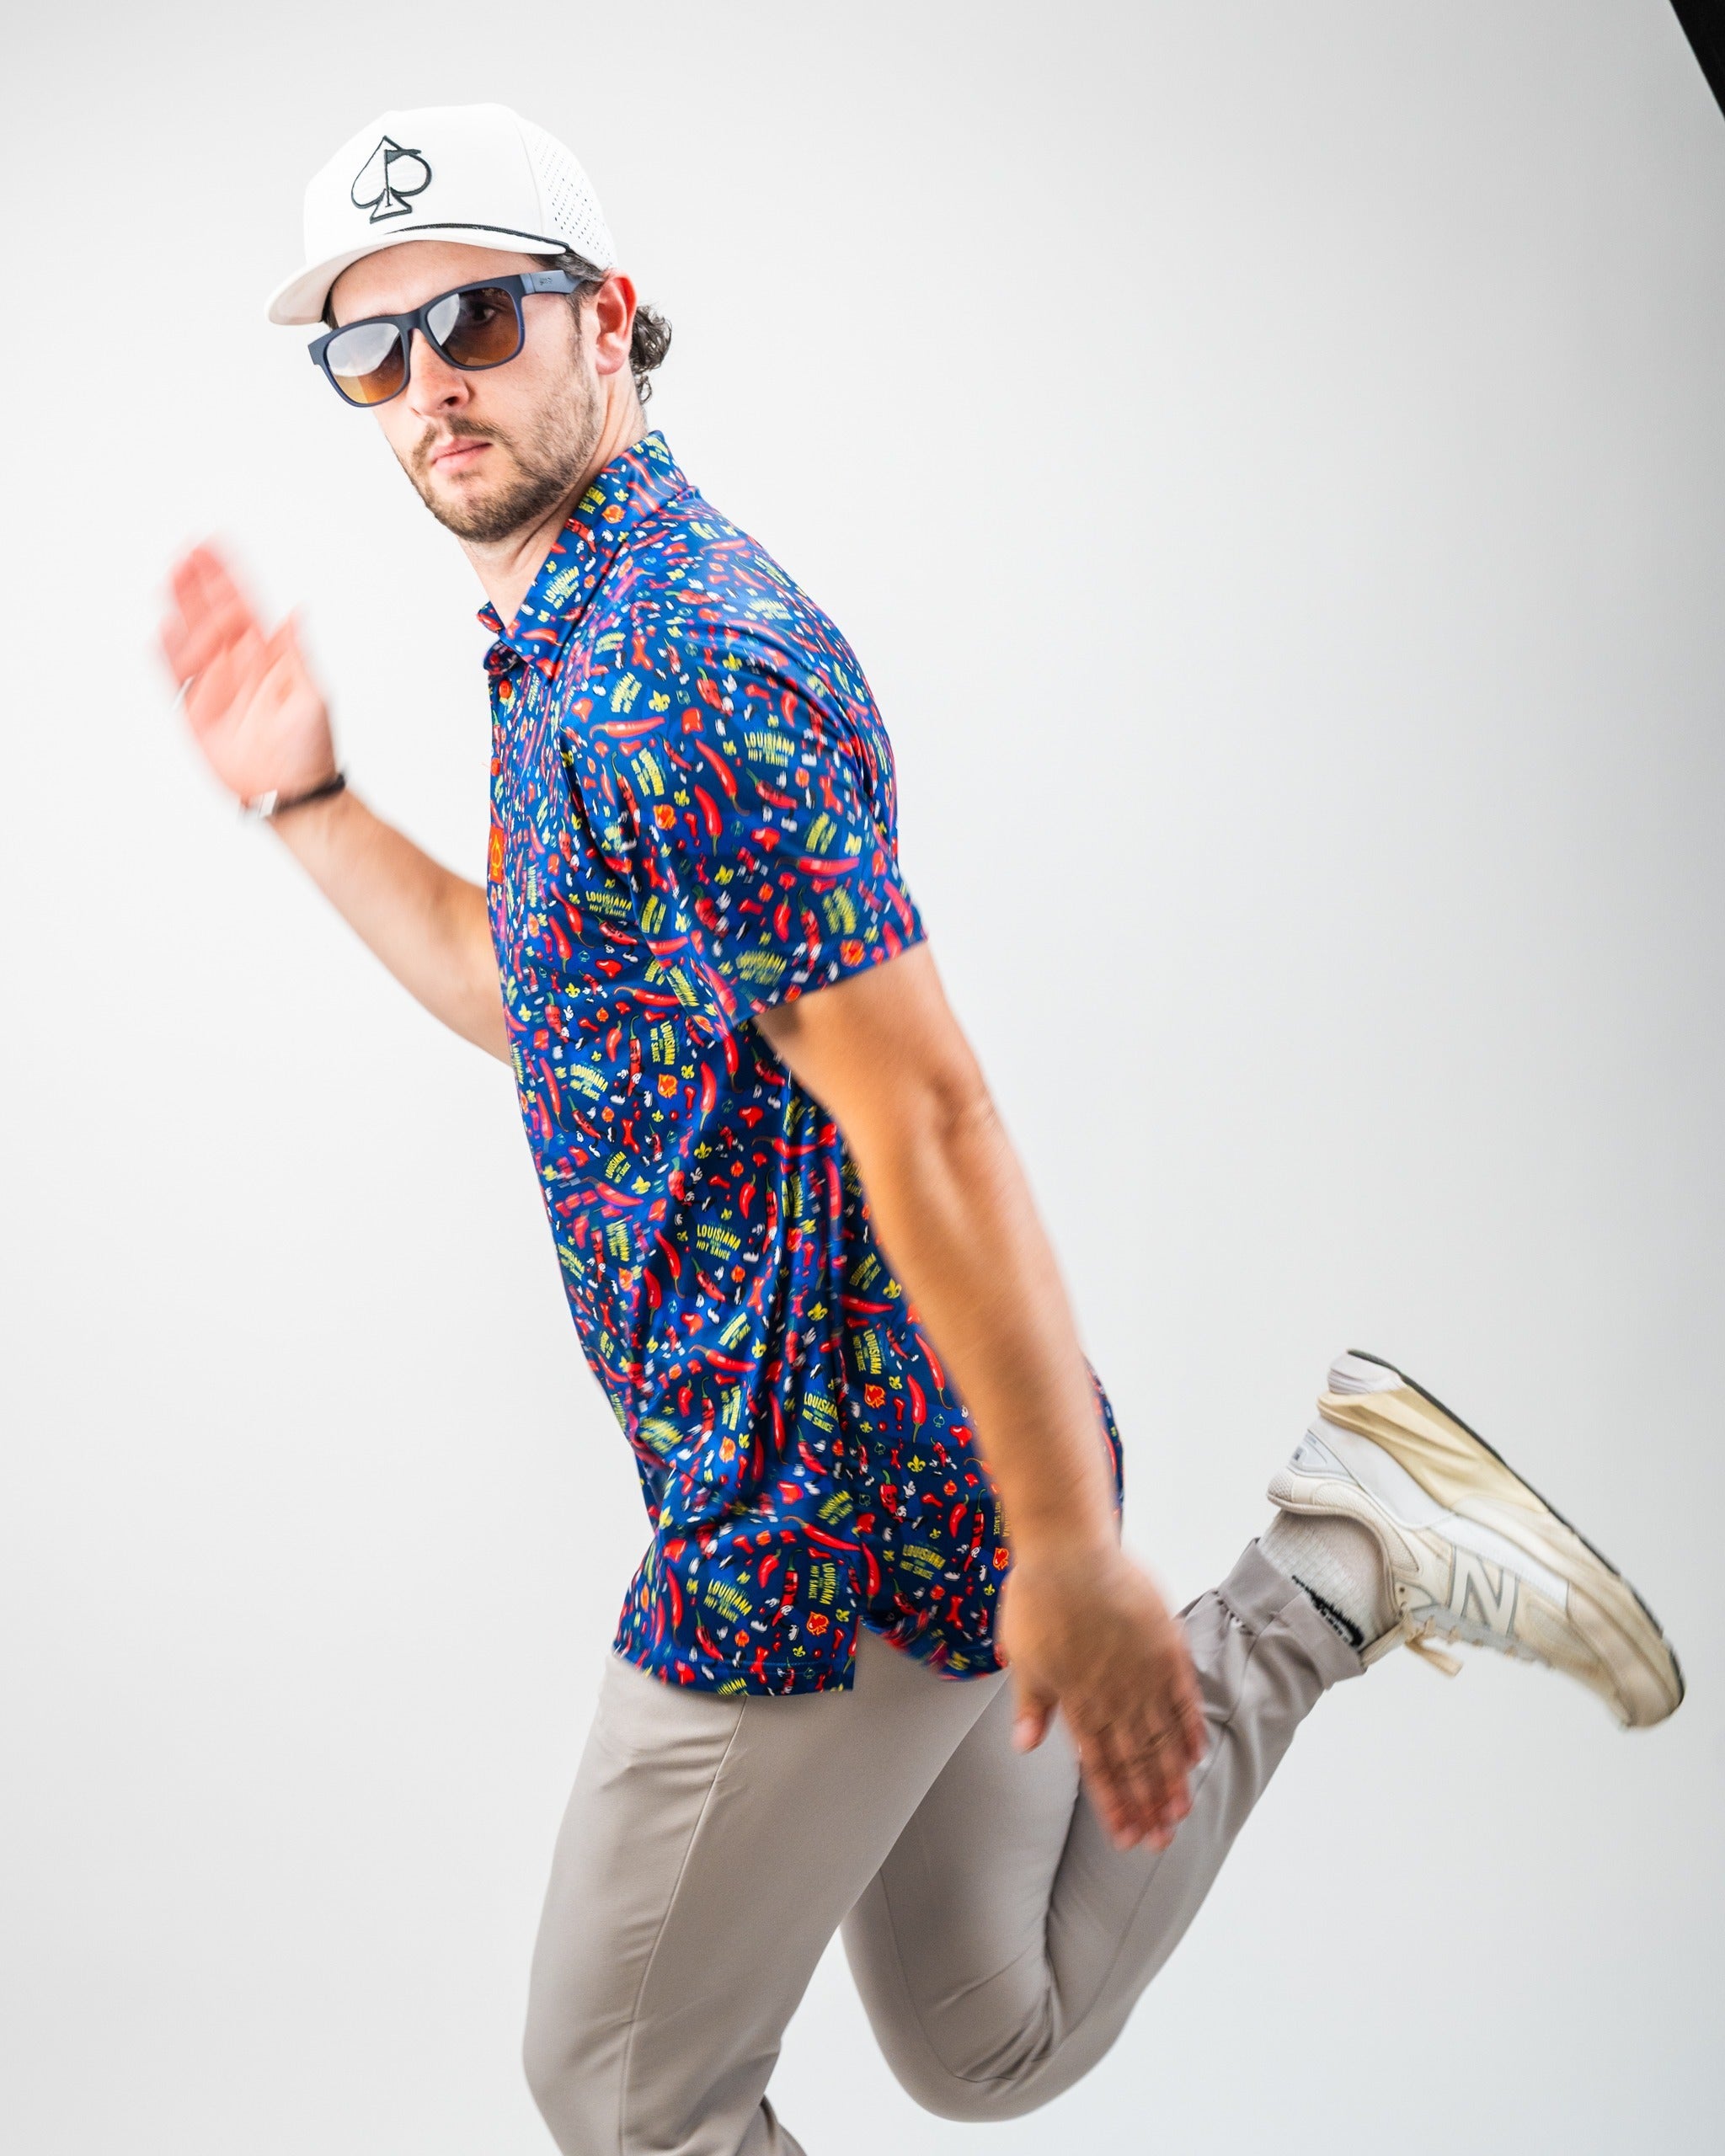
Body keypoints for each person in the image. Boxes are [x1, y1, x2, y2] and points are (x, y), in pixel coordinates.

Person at [158, 102, 1685, 2156]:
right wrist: (306, 798)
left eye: (479, 319)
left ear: (605, 316)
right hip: (918, 1468)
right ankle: (1344, 1551)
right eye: (372, 347)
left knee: (620, 2090)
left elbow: (930, 1110)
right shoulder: (573, 636)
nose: (429, 380)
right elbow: (558, 1012)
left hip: (826, 1514)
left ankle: (1224, 1553)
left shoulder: (674, 663)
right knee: (992, 2030)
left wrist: (1069, 1551)